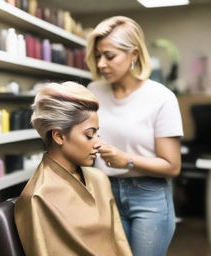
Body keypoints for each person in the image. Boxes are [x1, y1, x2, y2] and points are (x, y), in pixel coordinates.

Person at [86, 16, 183, 256]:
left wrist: (126, 159)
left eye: (110, 56)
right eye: (98, 56)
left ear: (134, 54)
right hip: (104, 191)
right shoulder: (93, 91)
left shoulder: (161, 98)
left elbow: (172, 166)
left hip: (148, 197)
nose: (101, 64)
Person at [14, 81, 132, 256]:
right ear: (59, 136)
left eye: (96, 134)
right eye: (89, 135)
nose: (98, 143)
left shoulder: (99, 179)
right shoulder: (38, 197)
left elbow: (119, 242)